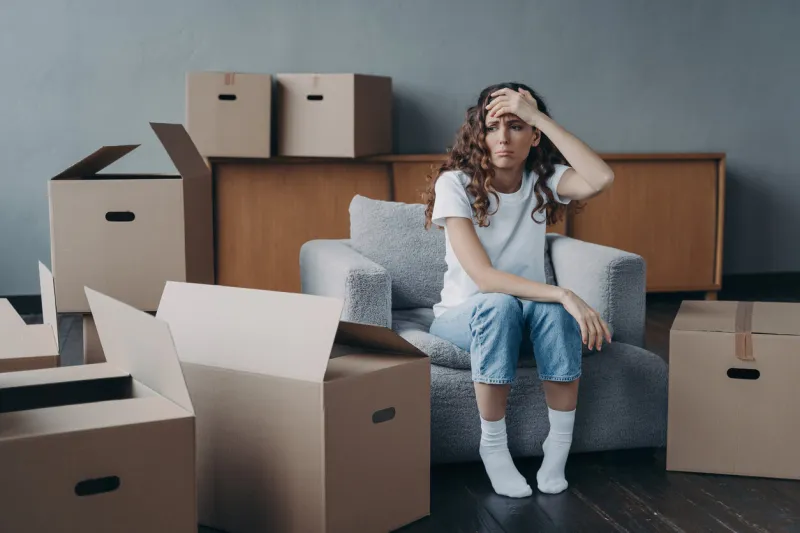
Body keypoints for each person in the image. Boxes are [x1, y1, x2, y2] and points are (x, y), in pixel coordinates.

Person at [423, 82, 615, 497]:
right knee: (500, 305)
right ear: (480, 134)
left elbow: (601, 178)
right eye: (493, 127)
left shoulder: (540, 181)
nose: (504, 138)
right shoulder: (454, 184)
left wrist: (538, 114)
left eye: (517, 126)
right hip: (465, 316)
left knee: (550, 312)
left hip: (527, 313)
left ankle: (557, 447)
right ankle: (493, 448)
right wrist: (565, 292)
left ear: (534, 135)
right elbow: (485, 278)